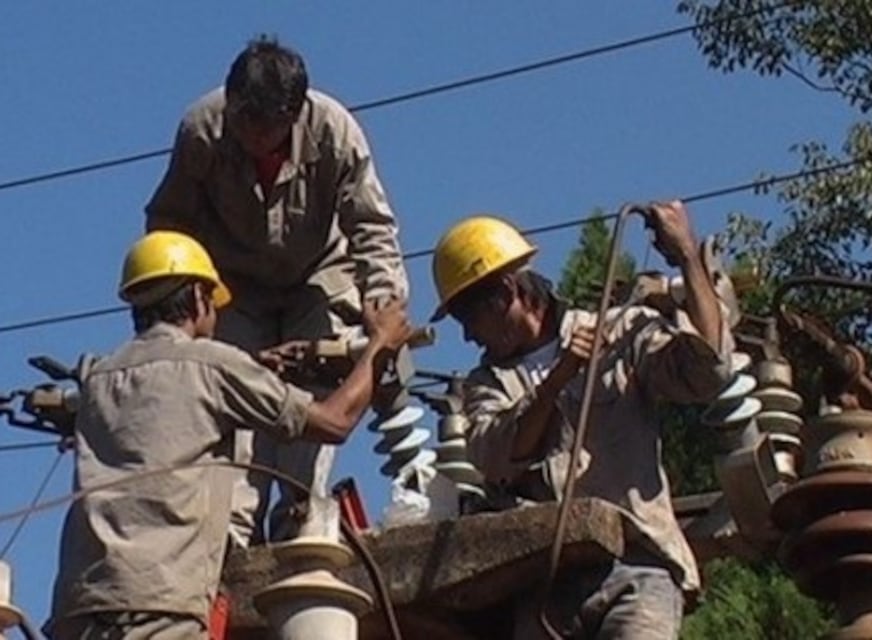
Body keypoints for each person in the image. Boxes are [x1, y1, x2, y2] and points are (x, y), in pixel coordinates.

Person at [45, 231, 411, 640]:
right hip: (159, 607)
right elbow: (334, 420)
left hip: (78, 609)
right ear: (199, 297)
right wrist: (381, 343)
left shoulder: (98, 378)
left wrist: (252, 370)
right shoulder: (214, 365)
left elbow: (168, 399)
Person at [144, 36, 409, 545]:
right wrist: (176, 316)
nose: (249, 134)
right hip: (232, 288)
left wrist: (382, 307)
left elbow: (372, 226)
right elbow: (169, 222)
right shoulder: (202, 129)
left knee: (310, 406)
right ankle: (232, 543)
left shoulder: (335, 131)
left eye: (263, 126)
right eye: (242, 118)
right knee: (237, 415)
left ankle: (299, 529)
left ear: (293, 114)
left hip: (319, 277)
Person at [429, 202, 734, 639]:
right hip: (546, 588)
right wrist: (559, 379)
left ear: (505, 293)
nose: (467, 335)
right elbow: (498, 456)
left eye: (467, 317)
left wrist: (687, 256)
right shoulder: (487, 383)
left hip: (636, 566)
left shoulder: (622, 332)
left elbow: (709, 373)